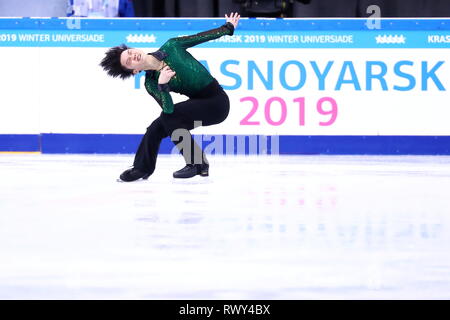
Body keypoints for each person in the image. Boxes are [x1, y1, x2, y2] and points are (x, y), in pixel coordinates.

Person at [100, 12, 241, 181]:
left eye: (130, 52)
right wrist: (163, 85)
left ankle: (197, 163)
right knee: (156, 128)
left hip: (217, 102)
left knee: (169, 118)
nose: (132, 56)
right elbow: (168, 110)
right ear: (135, 71)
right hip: (197, 104)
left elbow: (200, 37)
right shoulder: (151, 83)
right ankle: (142, 169)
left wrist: (228, 28)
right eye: (129, 61)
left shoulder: (172, 46)